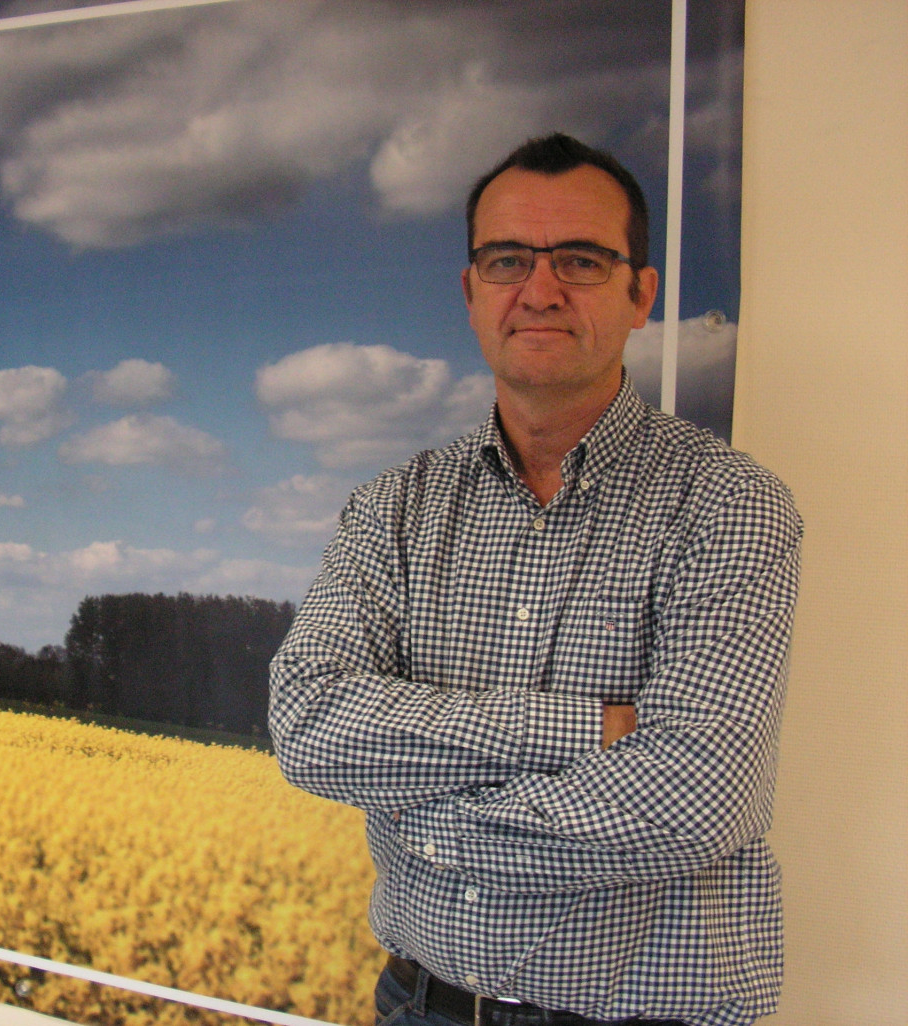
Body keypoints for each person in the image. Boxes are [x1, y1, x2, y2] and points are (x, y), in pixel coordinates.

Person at [268, 133, 801, 1026]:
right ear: (472, 291)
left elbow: (701, 796)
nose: (541, 290)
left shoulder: (730, 506)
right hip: (420, 1004)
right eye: (508, 259)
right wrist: (590, 729)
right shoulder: (390, 507)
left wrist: (433, 829)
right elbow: (311, 726)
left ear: (642, 295)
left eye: (583, 261)